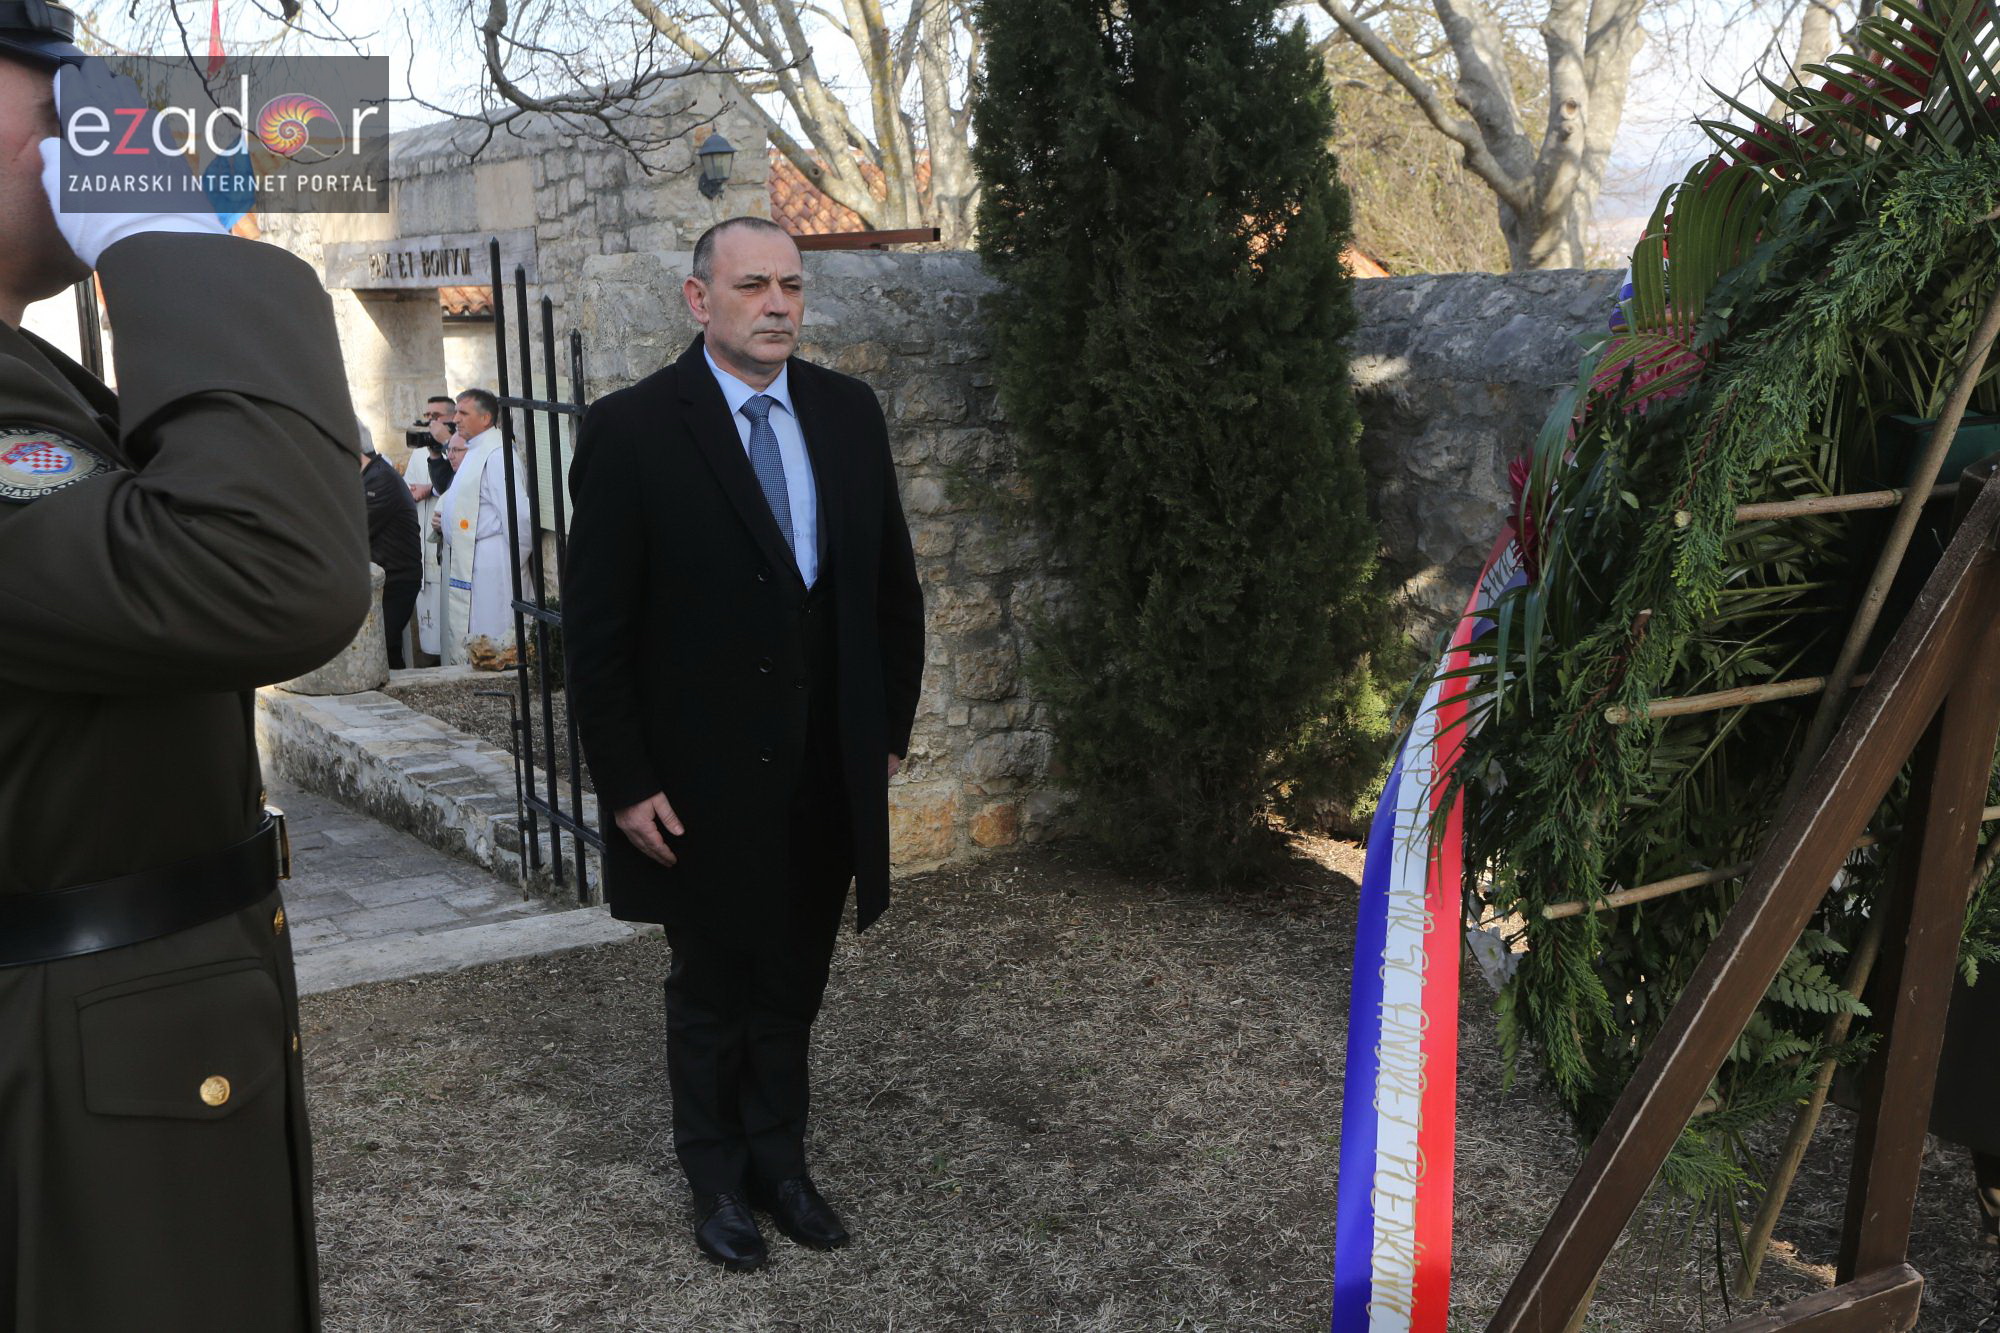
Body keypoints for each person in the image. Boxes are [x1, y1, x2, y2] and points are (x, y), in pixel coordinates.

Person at [0, 17, 369, 1333]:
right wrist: (163, 241)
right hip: (65, 1071)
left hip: (122, 1035)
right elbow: (269, 570)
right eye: (56, 89)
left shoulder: (31, 381)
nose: (86, 115)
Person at [564, 216, 924, 1272]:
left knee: (794, 978)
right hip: (699, 778)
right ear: (699, 299)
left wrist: (884, 729)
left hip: (824, 767)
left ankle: (781, 1163)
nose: (777, 305)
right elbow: (597, 632)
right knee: (713, 986)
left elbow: (890, 587)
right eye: (753, 285)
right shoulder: (633, 429)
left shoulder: (846, 413)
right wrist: (627, 780)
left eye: (791, 286)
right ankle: (716, 1180)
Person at [435, 387, 530, 667]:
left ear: (486, 418)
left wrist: (511, 563)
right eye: (456, 413)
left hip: (493, 563)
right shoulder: (477, 450)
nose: (456, 419)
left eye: (463, 413)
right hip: (473, 558)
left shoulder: (497, 454)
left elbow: (518, 515)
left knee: (493, 630)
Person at [361, 444, 422, 669]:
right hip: (387, 579)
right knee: (385, 649)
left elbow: (356, 528)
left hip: (396, 581)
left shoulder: (379, 480)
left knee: (380, 648)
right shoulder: (371, 476)